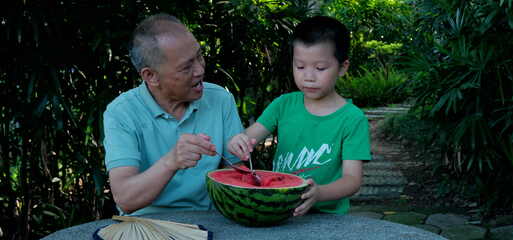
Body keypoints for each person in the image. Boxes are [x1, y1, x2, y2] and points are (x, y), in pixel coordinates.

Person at [227, 15, 371, 216]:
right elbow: (250, 136)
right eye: (300, 66)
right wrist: (239, 142)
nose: (308, 77)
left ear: (343, 67)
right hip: (279, 209)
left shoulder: (352, 119)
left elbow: (352, 180)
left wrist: (319, 193)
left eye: (320, 68)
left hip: (328, 217)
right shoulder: (283, 104)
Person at [103, 13, 243, 216]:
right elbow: (125, 199)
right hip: (146, 226)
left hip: (211, 223)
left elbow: (237, 176)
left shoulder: (220, 99)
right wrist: (172, 161)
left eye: (199, 56)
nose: (200, 70)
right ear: (151, 76)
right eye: (186, 67)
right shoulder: (121, 113)